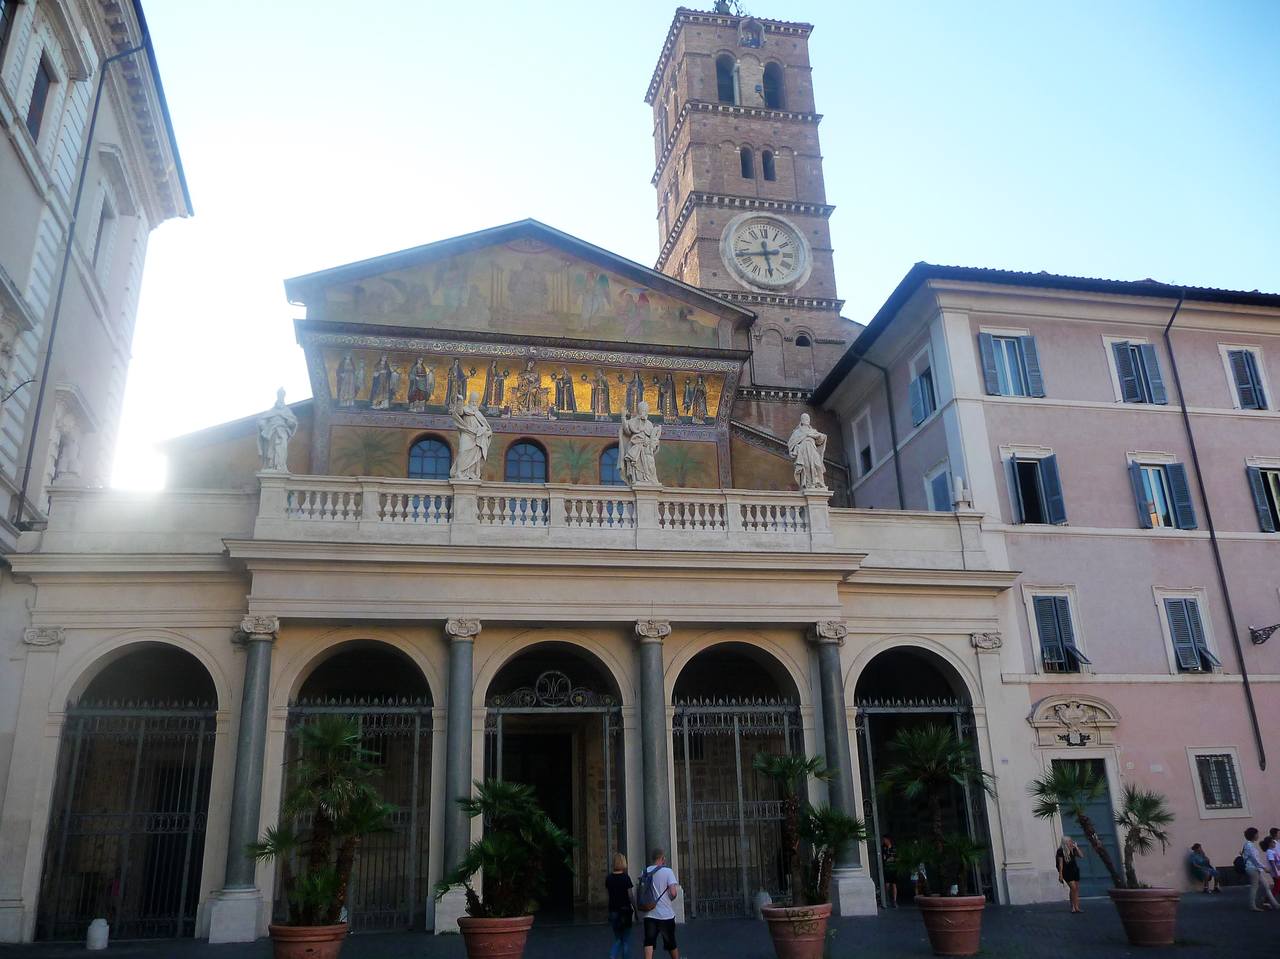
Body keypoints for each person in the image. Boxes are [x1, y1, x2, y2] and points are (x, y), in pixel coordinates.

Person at [638, 848, 679, 959]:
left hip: (649, 913)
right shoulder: (668, 871)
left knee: (649, 942)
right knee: (671, 942)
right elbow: (673, 893)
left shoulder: (645, 871)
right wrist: (671, 898)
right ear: (662, 858)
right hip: (666, 914)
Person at [1241, 827, 1279, 911]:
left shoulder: (1248, 844)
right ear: (1253, 835)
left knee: (1266, 886)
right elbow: (1255, 859)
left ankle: (1275, 904)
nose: (1258, 835)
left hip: (1255, 869)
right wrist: (1264, 867)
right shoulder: (1249, 845)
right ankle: (1252, 906)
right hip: (1252, 869)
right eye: (1257, 834)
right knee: (1255, 886)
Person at [605, 852, 634, 959]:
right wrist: (635, 908)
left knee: (618, 938)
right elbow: (630, 895)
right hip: (625, 911)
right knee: (625, 940)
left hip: (613, 910)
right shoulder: (626, 878)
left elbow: (609, 895)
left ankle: (613, 955)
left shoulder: (609, 878)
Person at [1056, 837, 1084, 913]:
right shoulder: (1060, 851)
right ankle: (1072, 907)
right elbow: (1060, 864)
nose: (1071, 842)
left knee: (1076, 889)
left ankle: (1077, 907)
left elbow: (1081, 856)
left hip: (1075, 870)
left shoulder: (1073, 849)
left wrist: (1077, 847)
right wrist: (1060, 875)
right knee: (1073, 888)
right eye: (1070, 841)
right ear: (1065, 842)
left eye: (1071, 841)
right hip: (1066, 872)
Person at [880, 836, 898, 908]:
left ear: (888, 840)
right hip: (886, 868)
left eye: (885, 839)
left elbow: (897, 857)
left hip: (893, 868)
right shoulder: (883, 848)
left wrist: (892, 859)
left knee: (894, 884)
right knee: (886, 885)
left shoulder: (894, 848)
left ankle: (894, 901)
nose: (884, 841)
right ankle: (886, 899)